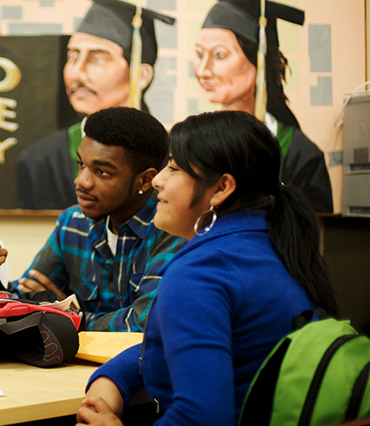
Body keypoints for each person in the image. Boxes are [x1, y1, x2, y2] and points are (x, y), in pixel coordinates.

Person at [77, 111, 338, 426]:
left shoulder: (200, 272)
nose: (157, 179)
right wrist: (114, 378)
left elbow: (202, 418)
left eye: (173, 168)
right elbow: (187, 349)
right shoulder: (278, 242)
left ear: (220, 188)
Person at [0, 107, 184, 332]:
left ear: (145, 181)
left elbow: (144, 323)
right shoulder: (72, 223)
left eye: (102, 172)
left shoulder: (173, 230)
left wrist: (71, 317)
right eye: (81, 164)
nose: (81, 181)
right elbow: (23, 303)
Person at [16, 0, 175, 210]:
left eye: (97, 59)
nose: (77, 73)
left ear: (141, 75)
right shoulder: (40, 161)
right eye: (72, 57)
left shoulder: (175, 157)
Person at [194, 0, 332, 212]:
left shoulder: (299, 153)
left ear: (258, 62)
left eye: (219, 54)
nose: (203, 70)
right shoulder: (193, 143)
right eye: (199, 54)